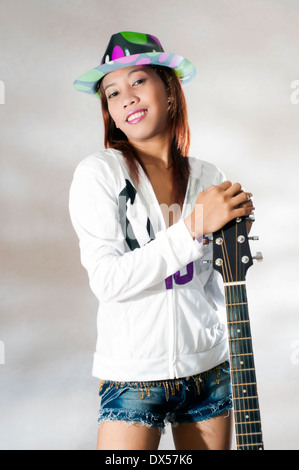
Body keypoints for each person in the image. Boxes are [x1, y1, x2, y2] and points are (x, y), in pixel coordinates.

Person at [69, 31, 254, 451]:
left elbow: (215, 281)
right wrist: (191, 227)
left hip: (210, 369)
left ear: (169, 90)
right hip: (134, 374)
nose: (127, 97)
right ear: (110, 114)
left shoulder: (209, 176)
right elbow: (108, 280)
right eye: (113, 93)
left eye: (138, 81)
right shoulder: (99, 174)